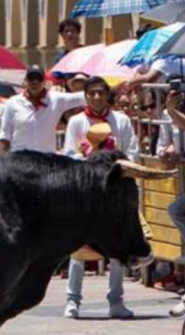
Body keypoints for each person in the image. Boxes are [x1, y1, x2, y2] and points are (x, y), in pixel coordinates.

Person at [60, 77, 137, 320]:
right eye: (91, 93)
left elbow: (132, 152)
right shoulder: (76, 122)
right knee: (78, 247)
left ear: (107, 95)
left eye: (100, 93)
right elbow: (69, 154)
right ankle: (72, 301)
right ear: (86, 96)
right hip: (85, 192)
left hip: (114, 192)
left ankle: (116, 300)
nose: (96, 98)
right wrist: (88, 156)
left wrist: (116, 162)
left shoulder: (121, 121)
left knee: (116, 247)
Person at [0, 65, 85, 153]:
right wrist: (2, 161)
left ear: (44, 81)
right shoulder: (13, 102)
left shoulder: (56, 99)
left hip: (46, 160)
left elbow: (82, 97)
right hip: (20, 159)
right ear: (25, 80)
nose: (34, 82)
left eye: (38, 78)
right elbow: (5, 134)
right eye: (31, 78)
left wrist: (96, 82)